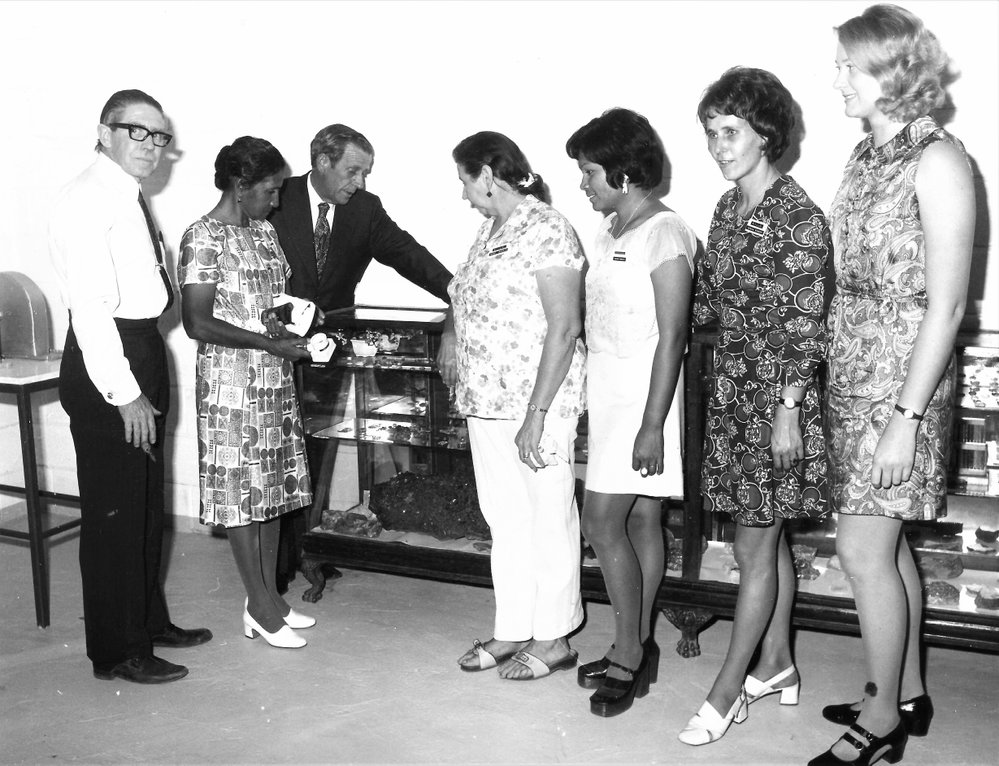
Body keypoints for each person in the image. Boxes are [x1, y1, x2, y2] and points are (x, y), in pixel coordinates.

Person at [812, 6, 975, 765]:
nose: (836, 78)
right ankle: (903, 692)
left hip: (901, 383)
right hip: (851, 371)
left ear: (892, 73)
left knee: (861, 549)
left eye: (848, 66)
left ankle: (879, 721)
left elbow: (945, 306)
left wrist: (906, 416)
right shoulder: (863, 154)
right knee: (885, 545)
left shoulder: (938, 161)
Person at [679, 68, 831, 745]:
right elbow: (710, 303)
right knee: (762, 545)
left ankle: (726, 689)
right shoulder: (724, 207)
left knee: (753, 543)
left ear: (764, 133)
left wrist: (789, 409)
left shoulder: (797, 215)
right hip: (733, 393)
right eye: (711, 134)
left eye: (730, 132)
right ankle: (777, 663)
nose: (718, 146)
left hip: (776, 399)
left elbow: (807, 325)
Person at [50, 89, 212, 684]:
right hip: (108, 362)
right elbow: (89, 310)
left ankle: (148, 620)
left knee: (144, 504)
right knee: (115, 513)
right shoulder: (86, 199)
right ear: (105, 131)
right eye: (137, 132)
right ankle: (118, 651)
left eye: (160, 136)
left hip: (139, 346)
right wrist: (126, 394)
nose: (151, 146)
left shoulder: (123, 192)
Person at [268, 123, 455, 587]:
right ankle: (272, 565)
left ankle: (304, 547)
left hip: (327, 359)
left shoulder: (365, 211)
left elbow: (408, 255)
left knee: (313, 458)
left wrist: (460, 292)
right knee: (273, 456)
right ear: (321, 162)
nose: (360, 183)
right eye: (352, 171)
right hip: (269, 351)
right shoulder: (275, 197)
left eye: (366, 172)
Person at [440, 131, 587, 680]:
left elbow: (565, 325)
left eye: (464, 181)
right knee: (505, 519)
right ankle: (513, 628)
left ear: (486, 174)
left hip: (537, 404)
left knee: (550, 516)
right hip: (486, 401)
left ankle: (554, 638)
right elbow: (464, 295)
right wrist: (452, 332)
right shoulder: (488, 231)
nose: (463, 194)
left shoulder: (548, 228)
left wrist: (537, 413)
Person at [565, 108, 695, 717]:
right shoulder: (610, 229)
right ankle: (637, 643)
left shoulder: (664, 233)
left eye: (589, 172)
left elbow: (673, 337)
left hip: (647, 401)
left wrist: (650, 425)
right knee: (641, 523)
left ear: (622, 172)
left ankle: (625, 653)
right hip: (610, 393)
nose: (583, 184)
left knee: (601, 524)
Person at [178, 137, 317, 649]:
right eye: (271, 190)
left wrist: (294, 324)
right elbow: (197, 321)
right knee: (243, 494)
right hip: (231, 384)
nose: (276, 200)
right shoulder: (203, 236)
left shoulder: (262, 231)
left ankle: (272, 600)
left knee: (275, 486)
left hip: (273, 374)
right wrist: (268, 342)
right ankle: (258, 605)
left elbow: (271, 301)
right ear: (241, 186)